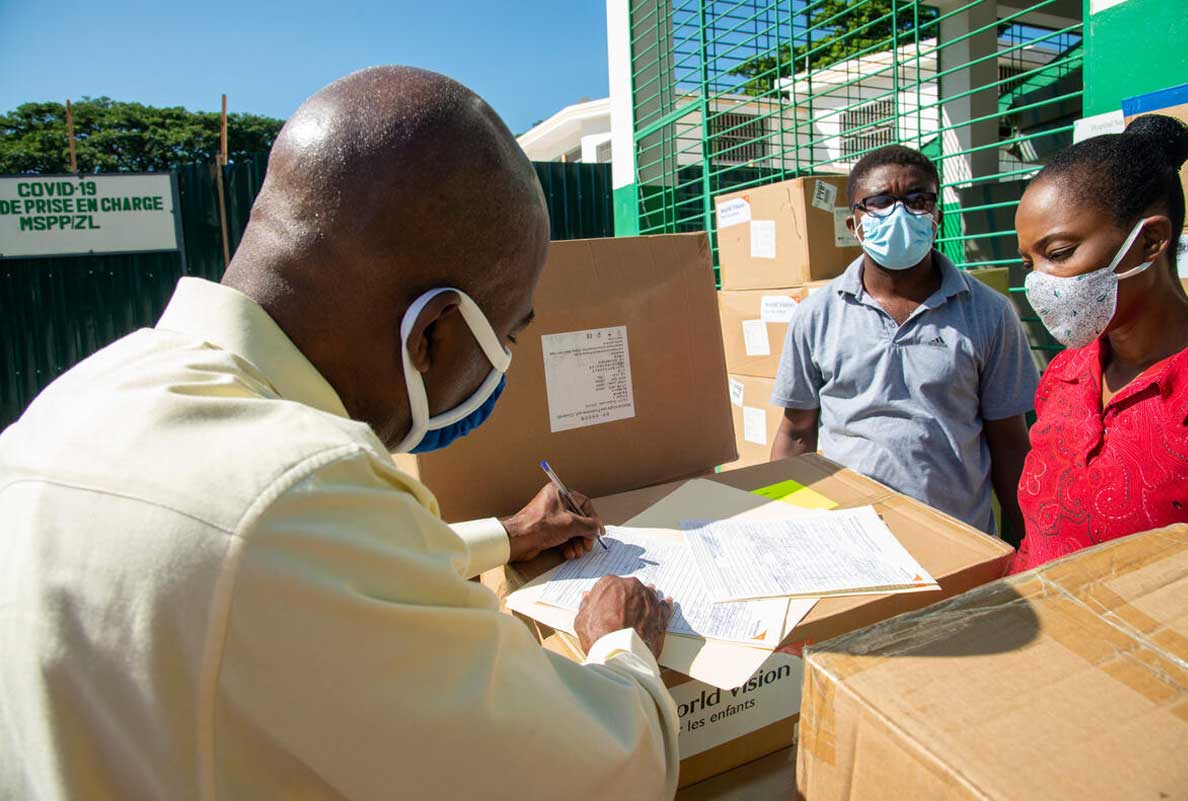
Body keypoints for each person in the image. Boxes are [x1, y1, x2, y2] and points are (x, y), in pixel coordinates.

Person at [0, 67, 679, 800]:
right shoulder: (301, 490)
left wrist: (507, 535)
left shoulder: (78, 399)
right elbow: (596, 773)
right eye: (507, 336)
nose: (502, 368)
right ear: (432, 333)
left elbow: (257, 576)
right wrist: (622, 644)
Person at [770, 145, 1040, 537]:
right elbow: (796, 433)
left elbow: (1010, 443)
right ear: (854, 225)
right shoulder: (817, 315)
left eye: (917, 200)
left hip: (959, 538)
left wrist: (1024, 545)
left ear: (935, 218)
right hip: (852, 535)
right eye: (879, 203)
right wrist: (781, 527)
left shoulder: (989, 312)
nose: (899, 214)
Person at [1012, 114, 1188, 572]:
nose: (1039, 283)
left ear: (1151, 240)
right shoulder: (1064, 374)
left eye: (1058, 254)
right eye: (1028, 262)